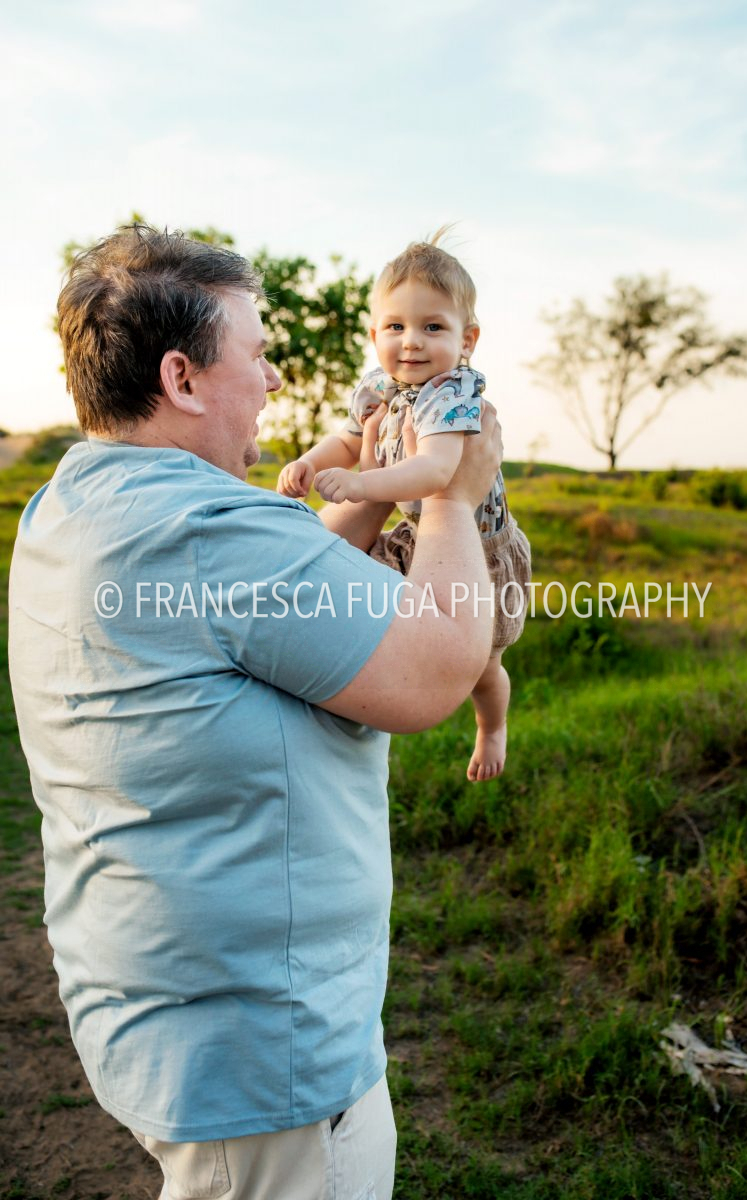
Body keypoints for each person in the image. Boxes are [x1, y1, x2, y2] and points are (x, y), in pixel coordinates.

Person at [7, 225, 504, 1200]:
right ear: (184, 379)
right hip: (263, 1058)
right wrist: (454, 495)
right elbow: (440, 664)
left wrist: (371, 489)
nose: (275, 380)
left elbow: (286, 592)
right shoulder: (208, 532)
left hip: (160, 1002)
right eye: (258, 354)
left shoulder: (75, 504)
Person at [277, 234, 531, 782]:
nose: (411, 342)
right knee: (388, 622)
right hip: (420, 534)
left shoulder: (451, 394)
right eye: (395, 326)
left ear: (467, 339)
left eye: (432, 327)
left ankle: (492, 726)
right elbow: (347, 440)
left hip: (480, 549)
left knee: (482, 662)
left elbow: (437, 471)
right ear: (374, 335)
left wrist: (364, 485)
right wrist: (309, 462)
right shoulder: (378, 386)